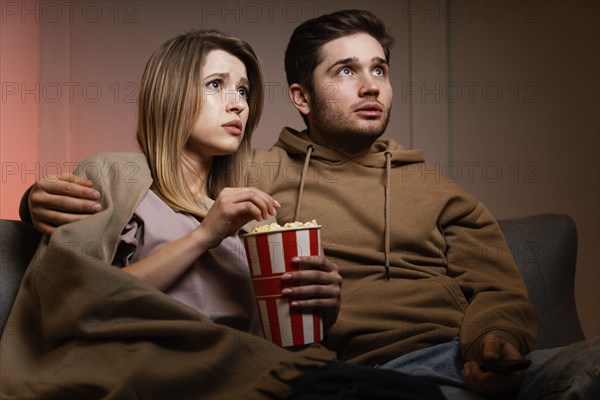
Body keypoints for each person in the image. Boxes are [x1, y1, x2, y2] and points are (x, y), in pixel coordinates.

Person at [20, 10, 599, 400]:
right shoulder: (250, 179)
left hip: (456, 356)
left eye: (380, 69)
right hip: (348, 371)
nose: (371, 86)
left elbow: (498, 289)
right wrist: (32, 202)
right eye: (347, 71)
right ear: (300, 96)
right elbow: (147, 196)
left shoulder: (441, 191)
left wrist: (493, 341)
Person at [2, 28, 448, 400]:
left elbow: (272, 338)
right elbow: (78, 308)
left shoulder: (247, 216)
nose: (237, 103)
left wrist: (322, 307)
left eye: (243, 91)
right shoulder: (114, 173)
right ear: (171, 93)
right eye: (216, 85)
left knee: (417, 394)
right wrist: (203, 235)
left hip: (248, 371)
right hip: (164, 369)